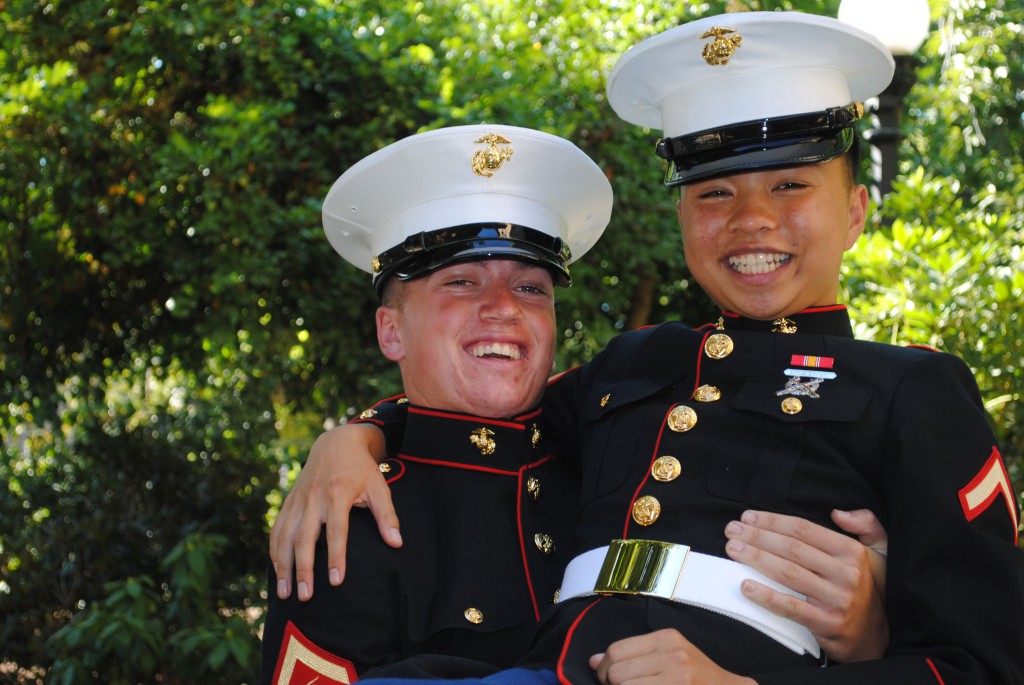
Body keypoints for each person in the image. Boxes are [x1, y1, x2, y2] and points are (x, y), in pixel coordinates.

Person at [268, 10, 1024, 685]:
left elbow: (983, 661)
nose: (751, 219)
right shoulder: (628, 367)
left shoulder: (916, 390)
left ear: (856, 212)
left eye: (791, 186)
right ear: (683, 220)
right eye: (714, 194)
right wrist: (353, 438)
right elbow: (478, 420)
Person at [259, 124, 615, 683]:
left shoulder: (609, 467)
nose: (503, 307)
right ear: (391, 331)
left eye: (530, 288)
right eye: (462, 282)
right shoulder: (348, 524)